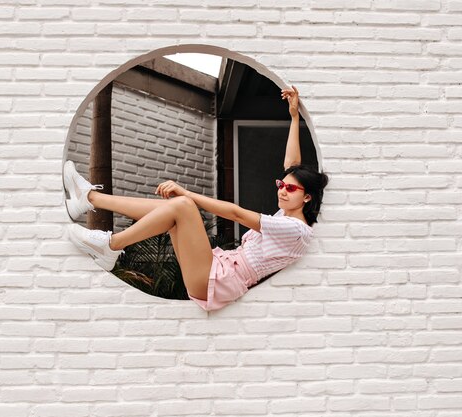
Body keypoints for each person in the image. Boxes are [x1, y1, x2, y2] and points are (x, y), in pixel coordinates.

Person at [64, 86, 329, 311]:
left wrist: (186, 191)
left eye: (290, 189)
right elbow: (292, 164)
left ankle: (110, 245)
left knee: (182, 204)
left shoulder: (296, 230)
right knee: (173, 209)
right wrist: (294, 117)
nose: (282, 190)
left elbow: (236, 214)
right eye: (281, 185)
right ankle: (88, 198)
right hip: (217, 268)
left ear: (307, 198)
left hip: (222, 280)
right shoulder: (287, 214)